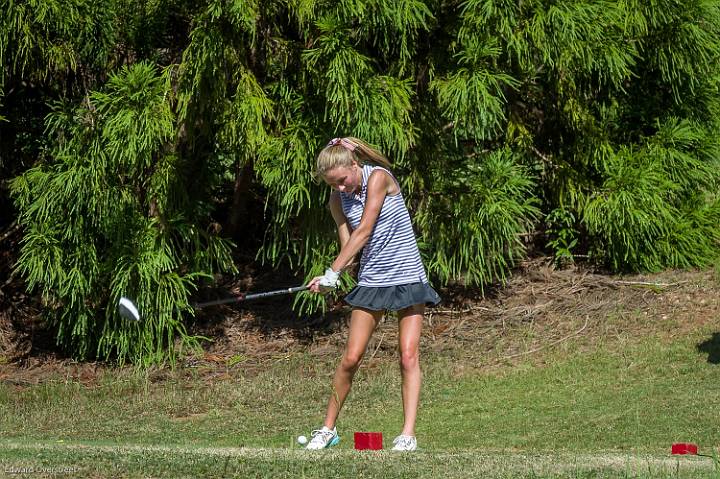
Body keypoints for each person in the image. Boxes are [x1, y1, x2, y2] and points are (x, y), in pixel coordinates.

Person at [305, 137, 441, 452]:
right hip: (371, 280)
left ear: (355, 165)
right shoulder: (337, 201)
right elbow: (350, 247)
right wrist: (330, 279)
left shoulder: (379, 177)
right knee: (351, 357)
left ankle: (407, 435)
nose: (339, 187)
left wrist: (332, 272)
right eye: (332, 184)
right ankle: (327, 430)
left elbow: (365, 229)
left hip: (407, 277)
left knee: (408, 355)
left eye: (342, 180)